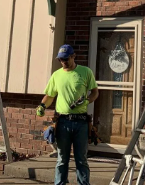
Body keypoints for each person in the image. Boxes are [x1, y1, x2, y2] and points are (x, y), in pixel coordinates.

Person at [36, 45, 99, 185]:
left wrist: (87, 101)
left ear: (73, 56)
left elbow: (95, 92)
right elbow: (50, 95)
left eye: (66, 59)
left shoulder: (85, 72)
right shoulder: (57, 75)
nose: (63, 62)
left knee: (81, 159)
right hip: (63, 122)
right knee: (62, 158)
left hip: (81, 123)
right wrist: (42, 105)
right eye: (61, 59)